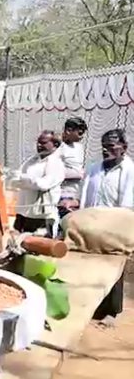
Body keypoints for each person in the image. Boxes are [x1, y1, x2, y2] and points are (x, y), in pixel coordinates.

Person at [79, 129, 134, 326]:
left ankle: (112, 311)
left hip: (115, 227)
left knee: (114, 268)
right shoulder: (94, 168)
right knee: (93, 267)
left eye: (110, 146)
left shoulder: (129, 170)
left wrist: (118, 227)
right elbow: (85, 196)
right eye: (103, 146)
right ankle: (96, 306)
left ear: (123, 148)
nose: (105, 150)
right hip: (92, 225)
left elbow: (127, 203)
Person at [10, 130, 65, 237]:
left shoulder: (56, 163)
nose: (39, 145)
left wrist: (23, 178)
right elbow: (16, 180)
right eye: (38, 142)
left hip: (42, 216)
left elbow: (44, 184)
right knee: (16, 241)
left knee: (38, 244)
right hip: (23, 213)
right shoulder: (31, 161)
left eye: (43, 143)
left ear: (55, 144)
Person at [58, 117, 88, 216]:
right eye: (80, 133)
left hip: (76, 193)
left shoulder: (79, 147)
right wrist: (75, 174)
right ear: (68, 131)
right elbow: (52, 171)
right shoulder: (58, 147)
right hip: (62, 193)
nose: (82, 136)